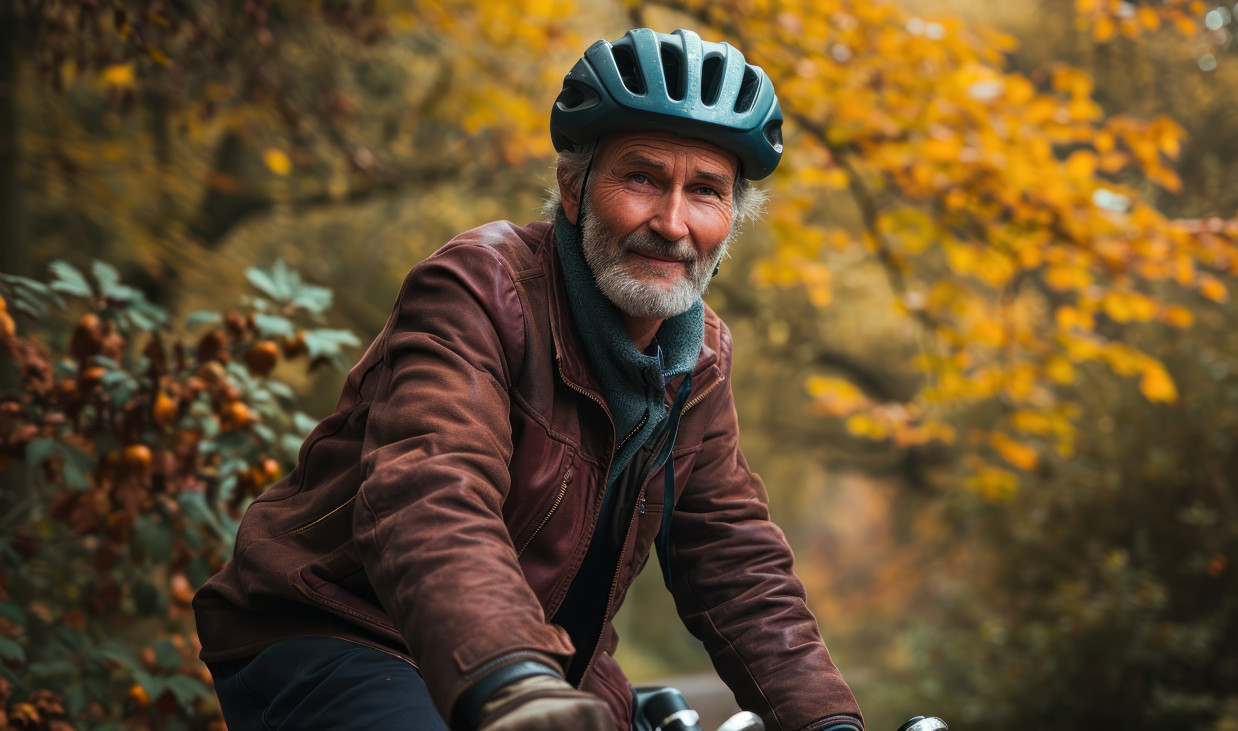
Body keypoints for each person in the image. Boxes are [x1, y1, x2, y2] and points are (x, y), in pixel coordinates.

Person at [193, 28, 865, 731]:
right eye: (641, 178)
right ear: (574, 189)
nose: (672, 223)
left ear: (730, 220)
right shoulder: (481, 287)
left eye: (704, 191)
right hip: (346, 629)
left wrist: (828, 721)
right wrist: (510, 675)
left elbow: (735, 561)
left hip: (539, 661)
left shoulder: (698, 360)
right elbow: (431, 490)